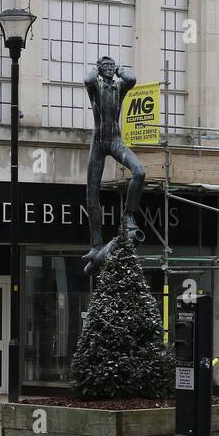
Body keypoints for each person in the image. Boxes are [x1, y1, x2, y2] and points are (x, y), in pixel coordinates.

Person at [82, 55, 147, 274]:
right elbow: (88, 79)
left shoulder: (119, 88)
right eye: (106, 66)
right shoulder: (96, 88)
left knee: (139, 171)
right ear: (100, 68)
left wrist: (119, 69)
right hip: (99, 143)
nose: (109, 69)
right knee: (92, 193)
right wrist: (97, 69)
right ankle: (96, 244)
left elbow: (132, 79)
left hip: (115, 141)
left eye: (111, 65)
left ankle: (128, 216)